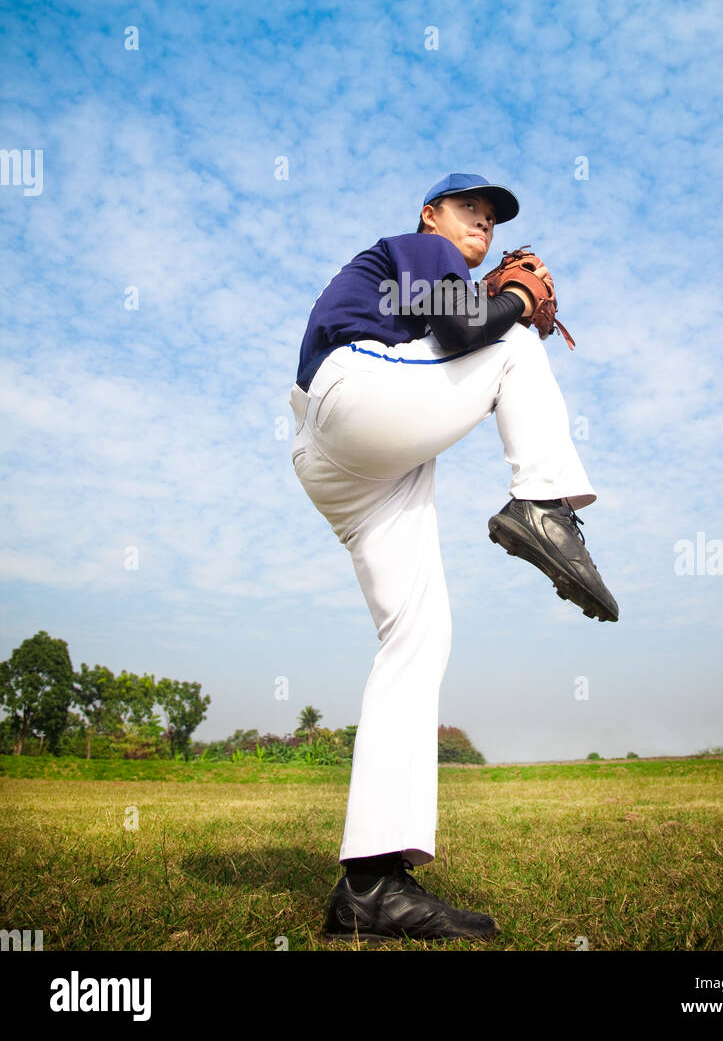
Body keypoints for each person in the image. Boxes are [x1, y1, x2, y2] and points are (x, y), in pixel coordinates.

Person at [289, 172, 618, 943]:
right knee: (510, 341)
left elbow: (451, 337)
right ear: (431, 213)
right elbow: (471, 331)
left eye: (493, 217)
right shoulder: (421, 249)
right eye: (471, 207)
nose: (483, 224)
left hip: (358, 458)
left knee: (418, 638)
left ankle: (371, 885)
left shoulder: (444, 274)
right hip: (353, 399)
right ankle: (544, 503)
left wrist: (503, 304)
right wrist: (517, 303)